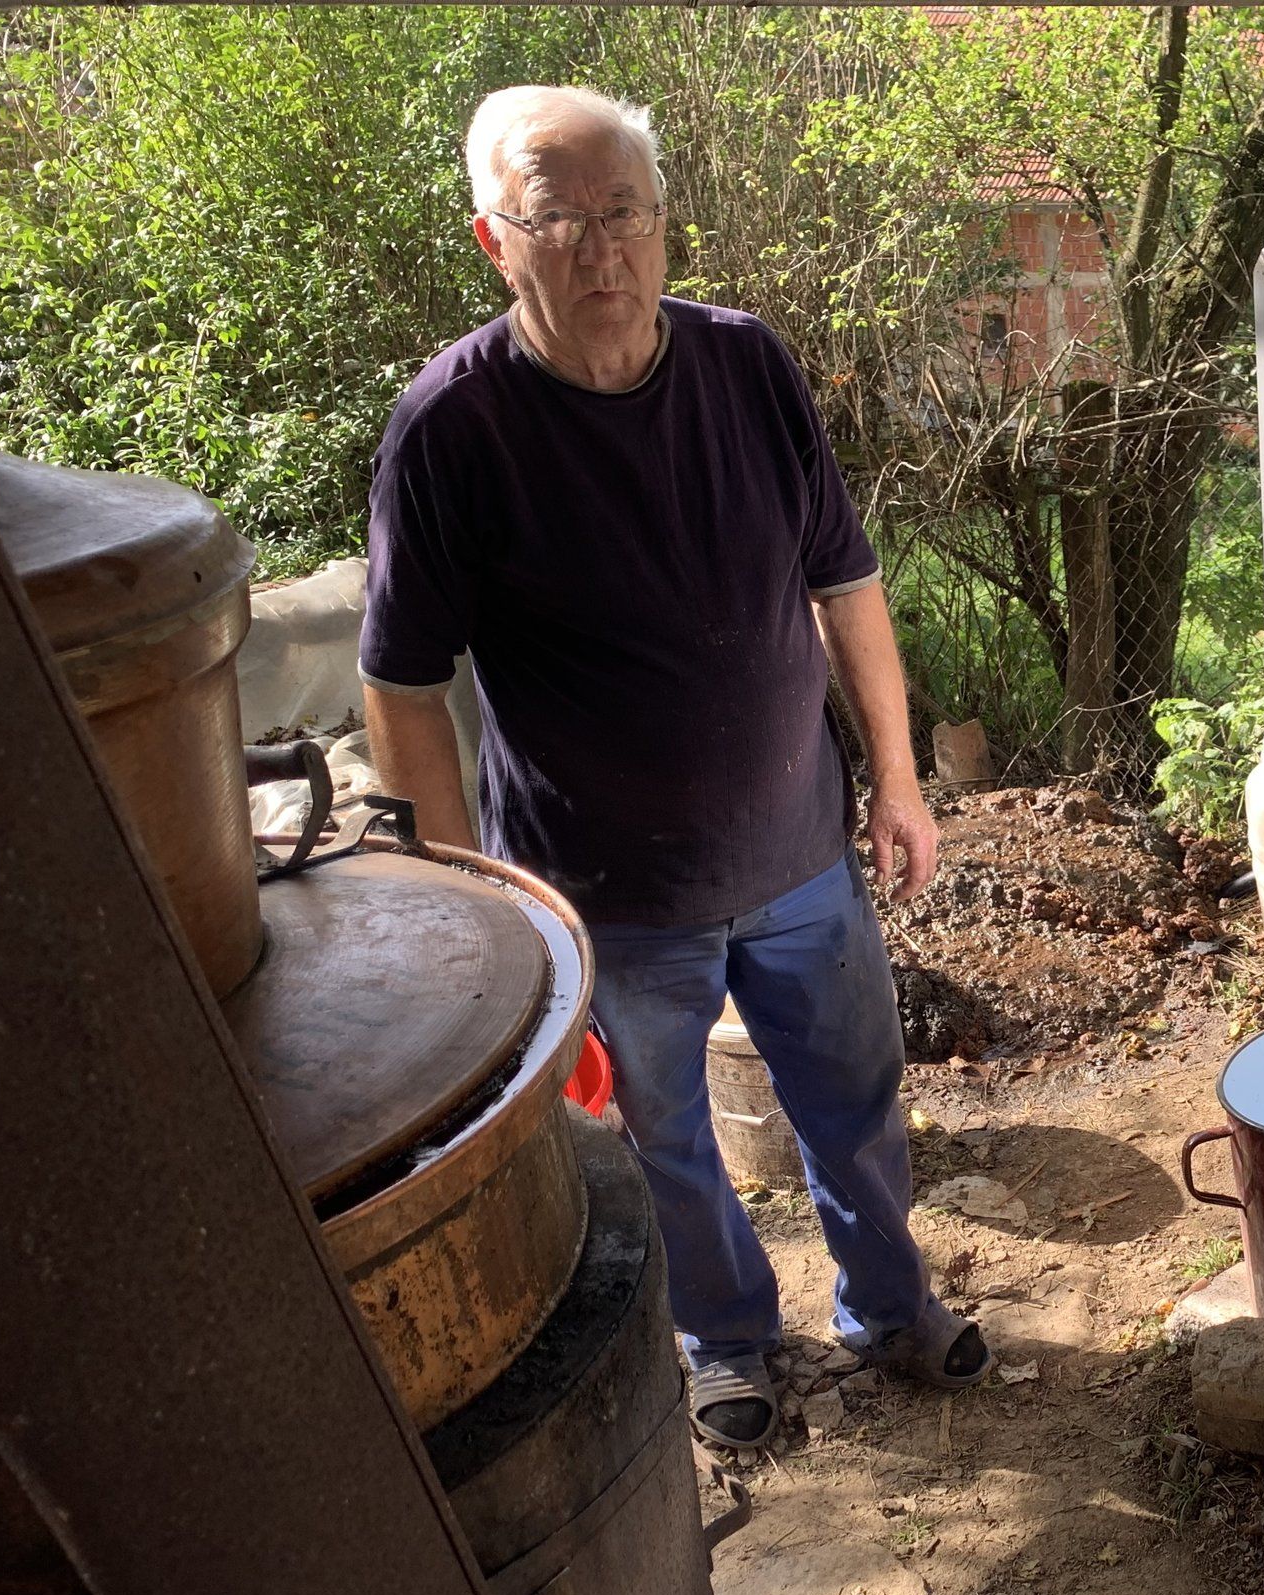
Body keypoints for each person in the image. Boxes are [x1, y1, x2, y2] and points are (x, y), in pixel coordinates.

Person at [359, 84, 991, 1447]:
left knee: (856, 1102)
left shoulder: (747, 366)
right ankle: (725, 1339)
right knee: (665, 1139)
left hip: (801, 857)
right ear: (495, 241)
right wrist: (469, 900)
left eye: (627, 211)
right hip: (606, 894)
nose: (604, 249)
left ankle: (890, 1305)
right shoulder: (453, 428)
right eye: (561, 219)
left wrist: (896, 779)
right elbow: (401, 685)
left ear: (663, 220)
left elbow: (847, 583)